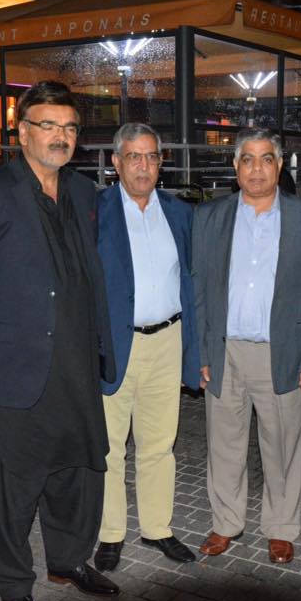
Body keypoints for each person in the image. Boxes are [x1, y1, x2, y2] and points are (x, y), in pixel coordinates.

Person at [0, 81, 118, 601]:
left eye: (69, 127)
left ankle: (68, 560)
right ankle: (13, 587)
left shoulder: (83, 191)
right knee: (11, 484)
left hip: (77, 361)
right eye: (48, 125)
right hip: (17, 367)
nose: (60, 136)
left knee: (78, 471)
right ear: (22, 131)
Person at [192, 127, 301, 565]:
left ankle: (280, 527)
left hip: (283, 350)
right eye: (248, 159)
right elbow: (199, 290)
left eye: (266, 159)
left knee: (283, 446)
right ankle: (226, 522)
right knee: (224, 444)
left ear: (280, 165)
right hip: (226, 350)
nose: (257, 169)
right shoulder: (209, 217)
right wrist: (201, 353)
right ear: (236, 167)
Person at [94, 123, 201, 571]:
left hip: (167, 341)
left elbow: (192, 282)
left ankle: (158, 528)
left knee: (159, 442)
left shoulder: (180, 213)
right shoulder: (95, 211)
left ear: (161, 163)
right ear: (116, 163)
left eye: (151, 157)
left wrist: (195, 351)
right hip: (116, 344)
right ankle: (110, 533)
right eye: (133, 157)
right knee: (110, 446)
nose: (143, 166)